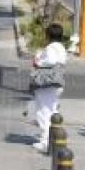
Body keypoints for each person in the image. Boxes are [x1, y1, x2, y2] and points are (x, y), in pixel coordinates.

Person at [30, 23, 67, 152]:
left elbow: (50, 61)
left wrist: (37, 61)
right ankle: (55, 138)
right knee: (52, 111)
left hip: (47, 84)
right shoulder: (62, 47)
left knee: (43, 112)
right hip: (57, 83)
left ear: (48, 35)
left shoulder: (50, 48)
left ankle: (45, 141)